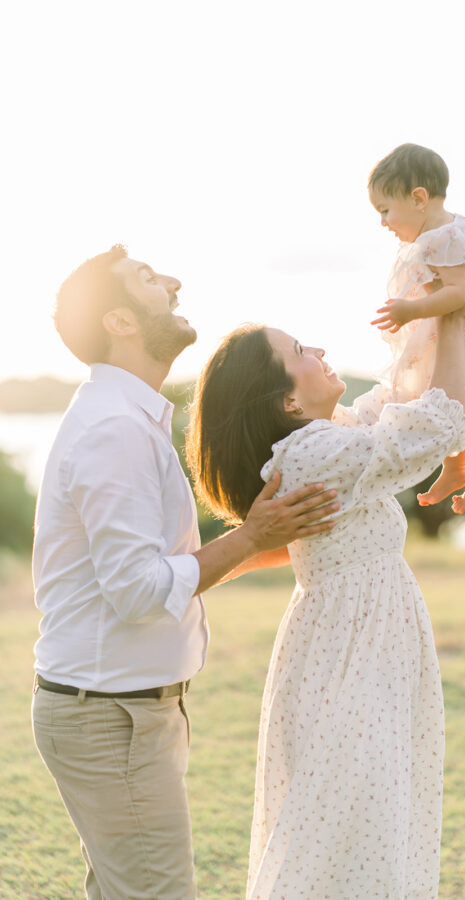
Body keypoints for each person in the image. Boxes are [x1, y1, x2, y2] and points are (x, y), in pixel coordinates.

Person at [31, 244, 339, 900]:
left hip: (122, 712)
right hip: (112, 719)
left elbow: (164, 573)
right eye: (146, 279)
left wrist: (272, 542)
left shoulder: (129, 419)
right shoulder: (114, 430)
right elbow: (141, 593)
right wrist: (254, 533)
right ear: (119, 322)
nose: (171, 281)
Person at [186, 301, 465, 898]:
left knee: (362, 824)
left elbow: (403, 400)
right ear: (288, 403)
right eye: (300, 352)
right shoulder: (313, 456)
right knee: (349, 825)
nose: (318, 352)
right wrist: (453, 315)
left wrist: (428, 305)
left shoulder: (334, 436)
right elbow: (431, 425)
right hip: (348, 660)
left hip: (364, 649)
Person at [369, 142, 465, 513]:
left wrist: (412, 309)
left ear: (418, 198)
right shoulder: (441, 233)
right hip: (462, 335)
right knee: (451, 404)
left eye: (386, 210)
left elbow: (460, 293)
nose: (383, 222)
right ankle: (455, 469)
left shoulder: (446, 238)